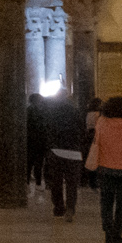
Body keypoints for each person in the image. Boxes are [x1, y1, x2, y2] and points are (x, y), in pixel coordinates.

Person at [91, 95, 122, 243]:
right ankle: (118, 233)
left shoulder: (101, 122)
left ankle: (108, 233)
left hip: (106, 167)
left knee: (106, 202)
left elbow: (97, 139)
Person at [43, 92, 86, 221]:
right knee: (72, 183)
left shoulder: (52, 113)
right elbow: (81, 131)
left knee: (56, 182)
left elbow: (47, 130)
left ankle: (58, 208)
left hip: (56, 150)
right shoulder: (76, 112)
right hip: (74, 152)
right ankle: (70, 208)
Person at [26, 92, 48, 188]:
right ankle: (38, 181)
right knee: (38, 162)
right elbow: (40, 125)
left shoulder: (28, 110)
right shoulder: (37, 111)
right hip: (38, 140)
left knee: (29, 162)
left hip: (30, 140)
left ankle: (27, 180)